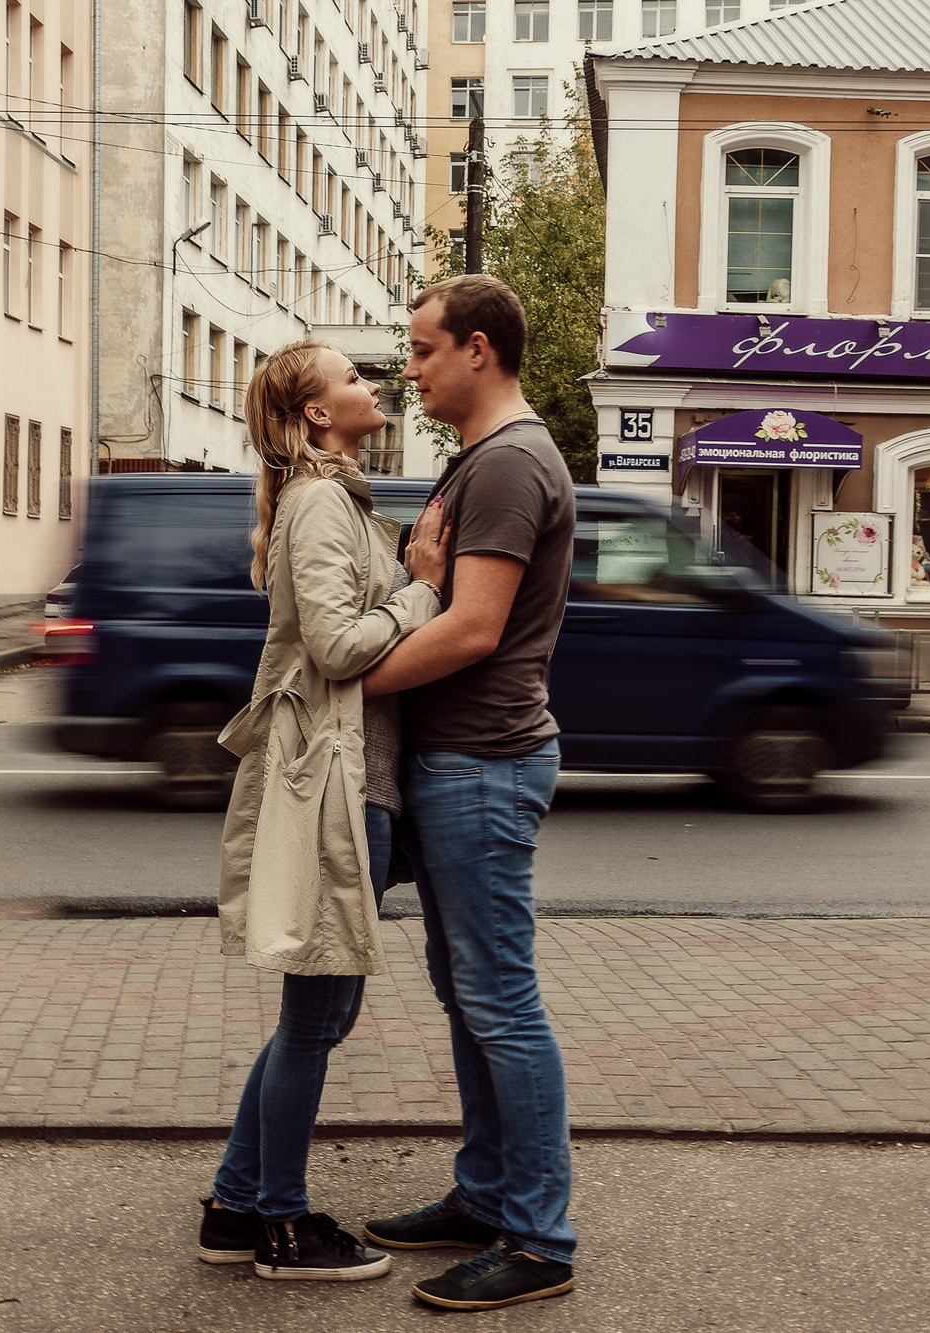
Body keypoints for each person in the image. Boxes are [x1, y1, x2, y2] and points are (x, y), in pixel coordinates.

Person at [196, 338, 452, 1282]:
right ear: (314, 413)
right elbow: (338, 646)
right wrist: (423, 590)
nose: (373, 384)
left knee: (321, 1017)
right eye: (352, 378)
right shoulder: (316, 503)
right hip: (338, 783)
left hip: (358, 778)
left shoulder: (336, 500)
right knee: (315, 1019)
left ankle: (236, 1205)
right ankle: (283, 1225)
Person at [360, 275, 580, 1312]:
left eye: (422, 349)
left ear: (477, 349)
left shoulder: (507, 464)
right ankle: (487, 1193)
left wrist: (342, 681)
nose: (409, 370)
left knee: (499, 1001)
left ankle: (537, 1237)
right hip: (459, 762)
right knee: (470, 995)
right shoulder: (480, 458)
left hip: (482, 765)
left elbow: (472, 628)